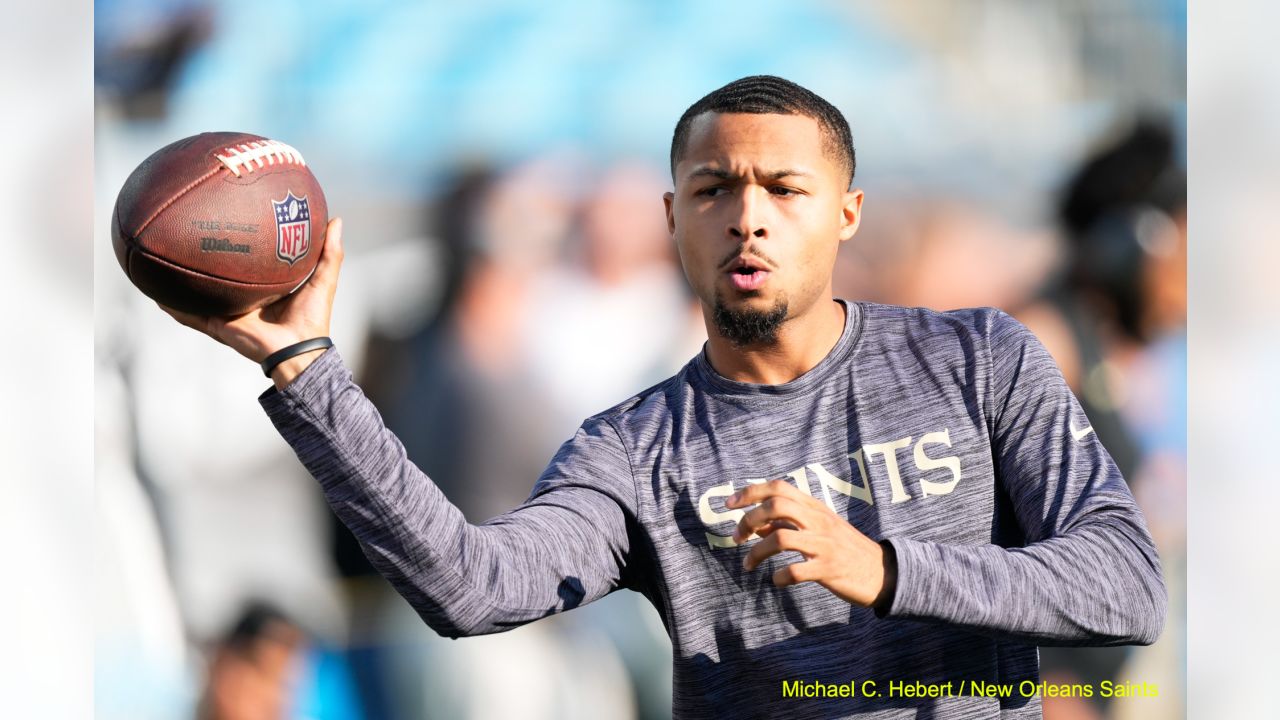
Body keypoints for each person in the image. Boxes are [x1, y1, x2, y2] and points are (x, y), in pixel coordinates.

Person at [161, 75, 1166, 719]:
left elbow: (1123, 590)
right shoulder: (632, 451)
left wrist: (886, 569)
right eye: (712, 191)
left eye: (785, 189)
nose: (747, 220)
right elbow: (473, 586)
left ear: (846, 213)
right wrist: (303, 370)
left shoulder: (980, 357)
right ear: (671, 220)